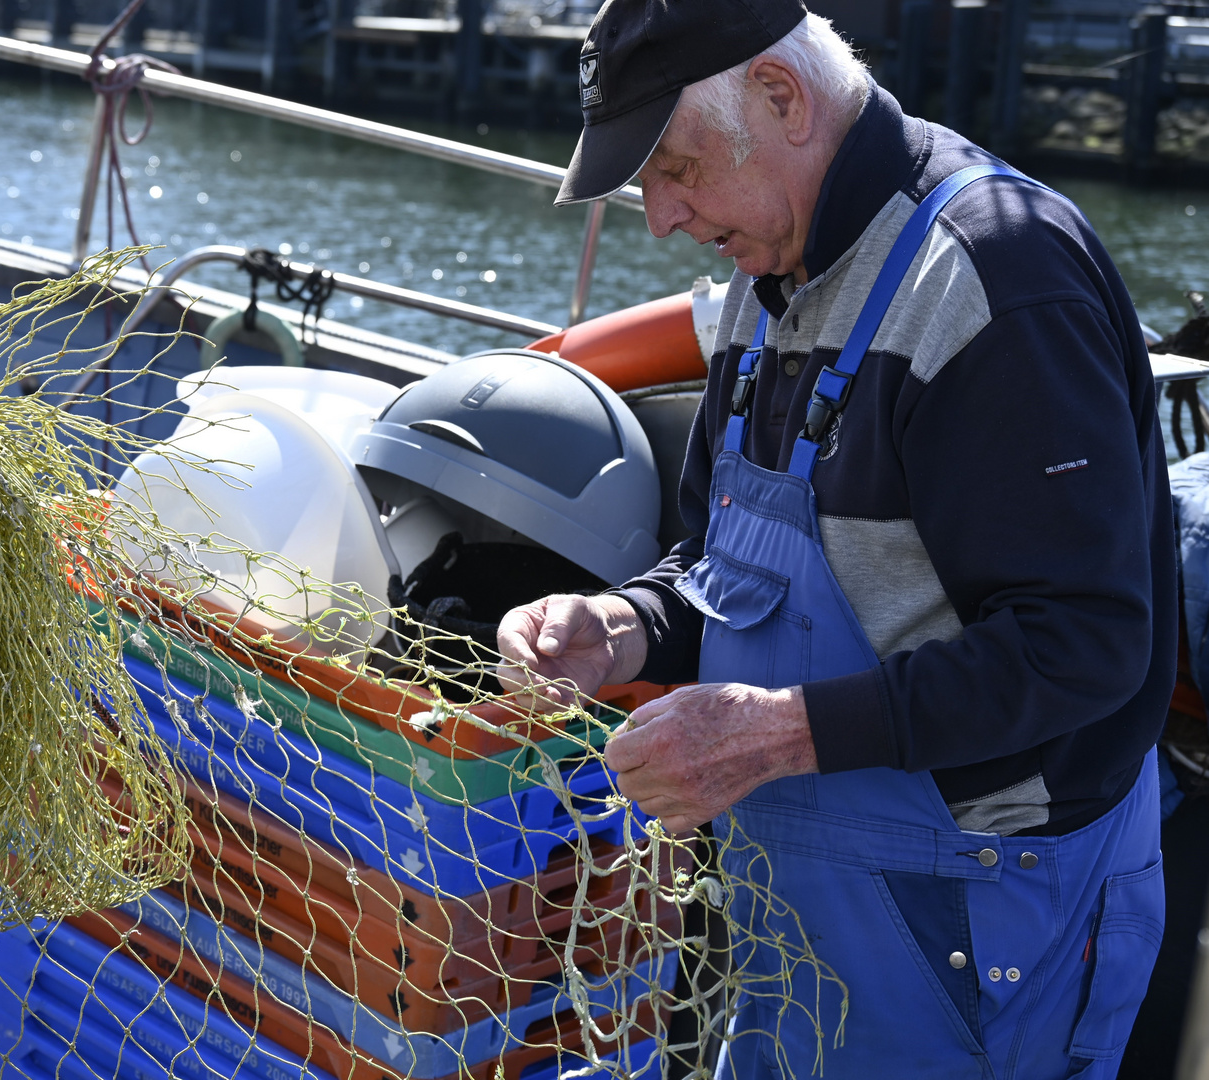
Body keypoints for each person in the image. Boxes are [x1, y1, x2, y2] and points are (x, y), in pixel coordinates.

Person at [495, 1, 1173, 1076]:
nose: (660, 218)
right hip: (795, 912)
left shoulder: (995, 280)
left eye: (674, 167)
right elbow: (715, 571)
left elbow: (1083, 644)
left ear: (780, 96)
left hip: (977, 915)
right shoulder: (767, 279)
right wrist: (622, 626)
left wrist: (771, 738)